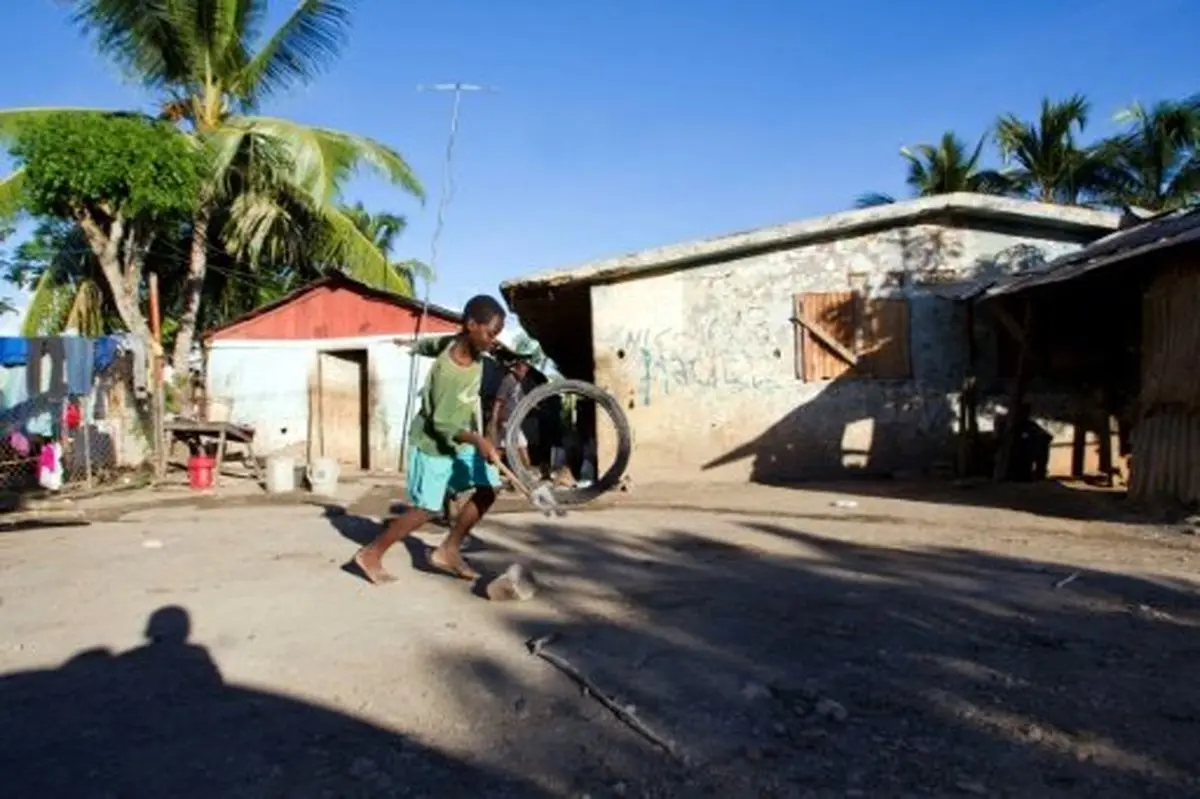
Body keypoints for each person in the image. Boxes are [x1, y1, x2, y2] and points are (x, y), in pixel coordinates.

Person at [354, 295, 506, 585]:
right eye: (490, 334)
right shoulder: (448, 372)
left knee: (488, 487)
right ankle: (371, 554)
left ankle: (448, 551)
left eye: (496, 335)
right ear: (471, 325)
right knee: (426, 508)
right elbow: (441, 424)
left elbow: (434, 343)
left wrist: (413, 346)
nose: (493, 341)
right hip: (434, 442)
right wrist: (479, 441)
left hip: (460, 439)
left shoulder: (463, 343)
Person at [489, 357, 531, 472]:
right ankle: (526, 473)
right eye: (522, 371)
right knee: (522, 446)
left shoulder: (517, 383)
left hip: (512, 420)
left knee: (502, 448)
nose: (524, 374)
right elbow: (499, 400)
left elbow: (521, 399)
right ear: (516, 369)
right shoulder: (508, 381)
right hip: (508, 419)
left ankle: (492, 472)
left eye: (525, 372)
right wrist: (494, 417)